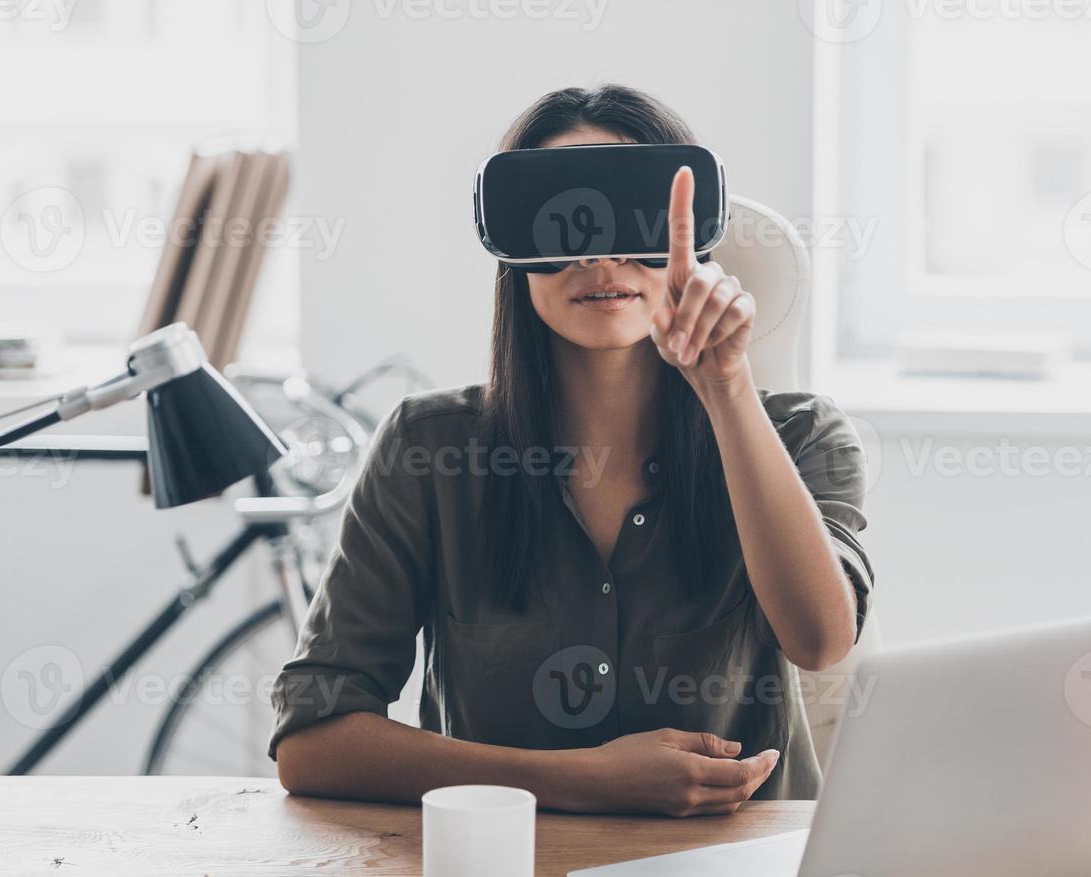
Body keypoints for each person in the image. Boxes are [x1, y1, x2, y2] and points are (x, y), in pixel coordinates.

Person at [272, 84, 872, 817]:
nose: (602, 251)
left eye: (634, 214)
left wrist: (726, 388)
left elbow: (818, 641)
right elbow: (314, 742)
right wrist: (581, 780)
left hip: (735, 872)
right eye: (564, 220)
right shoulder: (429, 452)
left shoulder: (801, 435)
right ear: (515, 251)